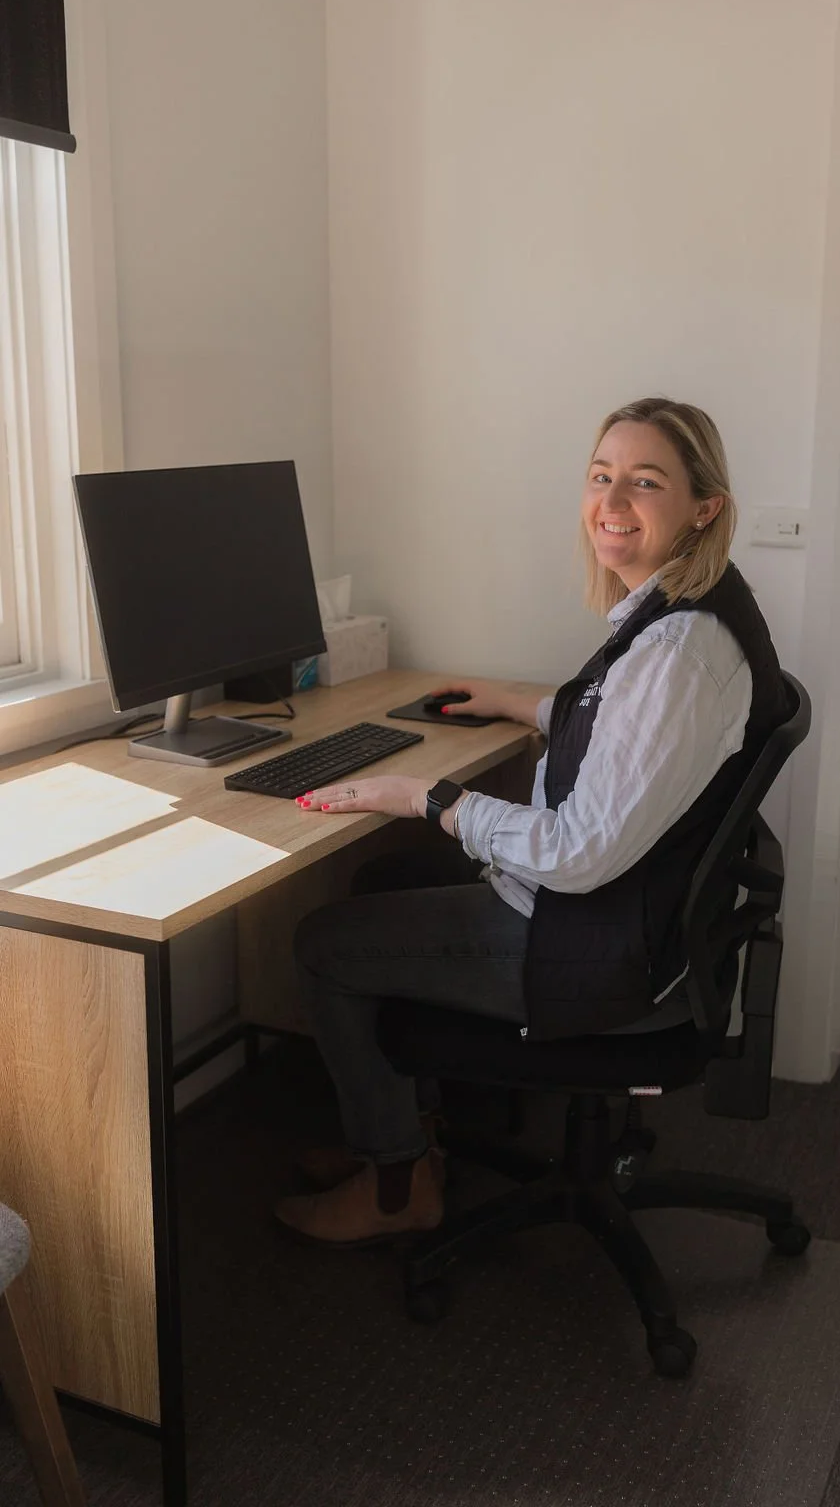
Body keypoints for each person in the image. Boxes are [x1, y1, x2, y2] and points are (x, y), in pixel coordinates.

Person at [273, 397, 789, 1248]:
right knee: (378, 882)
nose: (612, 502)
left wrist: (431, 798)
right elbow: (629, 735)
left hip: (594, 943)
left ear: (705, 508)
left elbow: (580, 853)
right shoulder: (686, 612)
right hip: (634, 921)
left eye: (644, 482)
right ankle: (407, 1136)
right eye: (601, 476)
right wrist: (520, 704)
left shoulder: (676, 654)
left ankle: (397, 1184)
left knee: (326, 943)